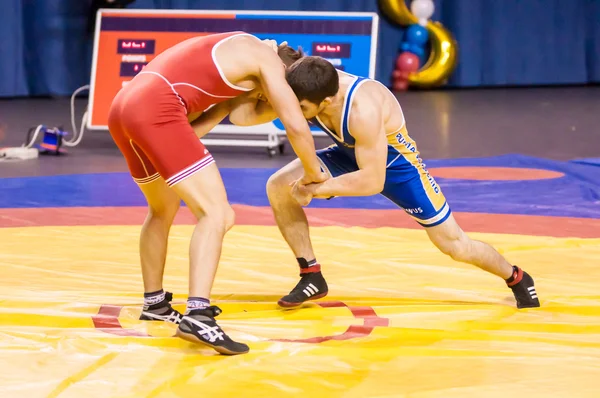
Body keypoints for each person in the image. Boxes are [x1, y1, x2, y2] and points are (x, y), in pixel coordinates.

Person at [214, 55, 540, 310]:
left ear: (325, 103)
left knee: (454, 245)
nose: (294, 114)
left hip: (396, 167)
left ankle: (515, 276)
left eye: (301, 110)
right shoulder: (306, 85)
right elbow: (243, 118)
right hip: (348, 152)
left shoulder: (362, 108)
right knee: (277, 185)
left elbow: (372, 180)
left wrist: (315, 187)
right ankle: (311, 274)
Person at [107, 33, 327, 355]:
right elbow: (294, 125)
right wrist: (313, 173)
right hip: (156, 108)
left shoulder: (243, 56)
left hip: (125, 108)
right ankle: (198, 315)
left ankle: (155, 303)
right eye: (277, 96)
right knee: (218, 214)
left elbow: (231, 118)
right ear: (285, 72)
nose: (268, 101)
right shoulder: (267, 60)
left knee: (161, 210)